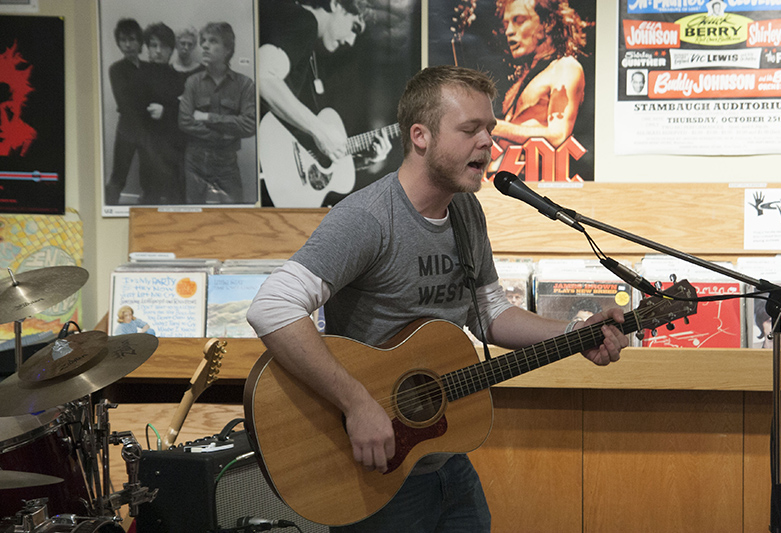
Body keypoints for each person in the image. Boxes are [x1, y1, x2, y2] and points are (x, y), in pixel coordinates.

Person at [247, 65, 627, 532]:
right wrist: (358, 404)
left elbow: (490, 313)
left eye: (489, 128)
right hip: (372, 467)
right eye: (470, 130)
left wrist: (573, 333)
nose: (488, 143)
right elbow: (271, 307)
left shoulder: (466, 211)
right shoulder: (369, 219)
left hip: (444, 458)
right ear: (420, 136)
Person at [258, 0, 392, 205]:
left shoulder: (308, 51)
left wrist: (360, 160)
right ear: (337, 4)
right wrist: (320, 130)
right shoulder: (305, 21)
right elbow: (262, 76)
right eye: (354, 27)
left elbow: (303, 155)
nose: (351, 41)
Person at [491, 0, 589, 149]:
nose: (509, 31)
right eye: (506, 24)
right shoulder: (526, 77)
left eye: (519, 21)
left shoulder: (565, 67)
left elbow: (559, 136)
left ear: (548, 23)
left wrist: (496, 127)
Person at [178, 22, 256, 204]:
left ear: (228, 49)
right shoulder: (193, 82)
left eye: (213, 41)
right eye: (203, 40)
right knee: (193, 216)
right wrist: (226, 133)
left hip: (227, 164)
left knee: (234, 216)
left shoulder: (244, 84)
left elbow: (249, 126)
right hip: (195, 161)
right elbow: (184, 121)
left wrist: (207, 117)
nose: (204, 45)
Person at [105, 18, 150, 205]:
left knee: (149, 176)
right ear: (118, 43)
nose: (128, 44)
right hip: (128, 129)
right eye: (123, 40)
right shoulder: (116, 69)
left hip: (149, 129)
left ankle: (147, 210)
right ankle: (108, 209)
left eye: (132, 39)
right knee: (118, 176)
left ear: (140, 42)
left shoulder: (149, 68)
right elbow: (124, 103)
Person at [141, 22, 186, 204]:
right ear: (148, 48)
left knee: (177, 194)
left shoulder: (178, 78)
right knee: (150, 194)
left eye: (164, 46)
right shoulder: (139, 74)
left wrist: (166, 110)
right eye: (154, 46)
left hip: (173, 145)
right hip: (148, 143)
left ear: (171, 50)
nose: (158, 51)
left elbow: (183, 110)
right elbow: (136, 108)